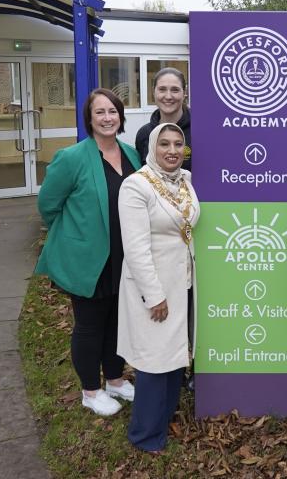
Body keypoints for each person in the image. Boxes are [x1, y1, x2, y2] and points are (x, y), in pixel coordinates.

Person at [35, 88, 141, 416]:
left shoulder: (131, 154)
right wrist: (76, 235)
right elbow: (48, 206)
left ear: (121, 116)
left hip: (124, 256)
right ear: (90, 119)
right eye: (100, 112)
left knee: (117, 322)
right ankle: (90, 391)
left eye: (113, 111)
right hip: (88, 260)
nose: (107, 117)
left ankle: (114, 379)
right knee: (90, 324)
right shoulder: (72, 158)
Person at [117, 123, 200, 454]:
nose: (172, 150)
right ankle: (145, 435)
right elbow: (135, 249)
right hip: (153, 288)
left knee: (174, 356)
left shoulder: (185, 180)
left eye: (178, 144)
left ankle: (163, 421)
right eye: (164, 144)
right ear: (152, 148)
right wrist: (154, 295)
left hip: (183, 283)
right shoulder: (136, 186)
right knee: (153, 361)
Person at [135, 67, 191, 171]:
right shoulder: (144, 134)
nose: (168, 96)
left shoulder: (200, 130)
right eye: (162, 89)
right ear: (154, 92)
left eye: (175, 90)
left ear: (184, 92)